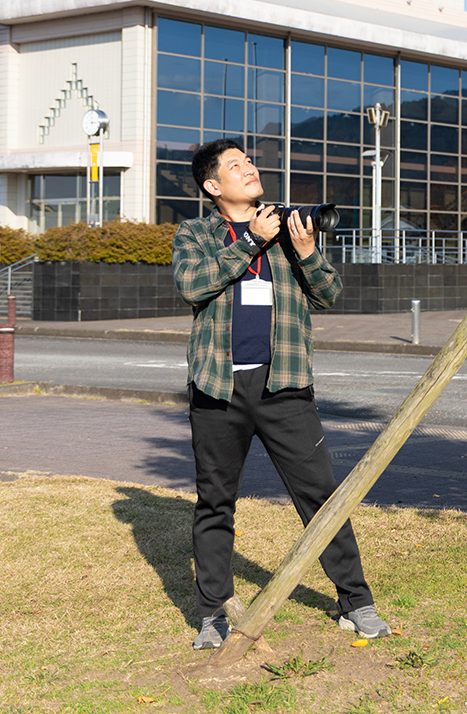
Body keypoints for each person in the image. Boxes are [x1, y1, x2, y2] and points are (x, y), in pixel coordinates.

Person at [172, 137, 389, 649]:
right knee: (215, 502)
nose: (249, 169)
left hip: (284, 382)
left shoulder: (290, 228)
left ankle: (356, 602)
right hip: (218, 385)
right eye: (235, 166)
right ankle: (212, 614)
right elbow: (191, 284)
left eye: (250, 162)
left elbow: (329, 294)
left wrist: (308, 251)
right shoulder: (197, 232)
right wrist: (250, 242)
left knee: (321, 496)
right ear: (212, 185)